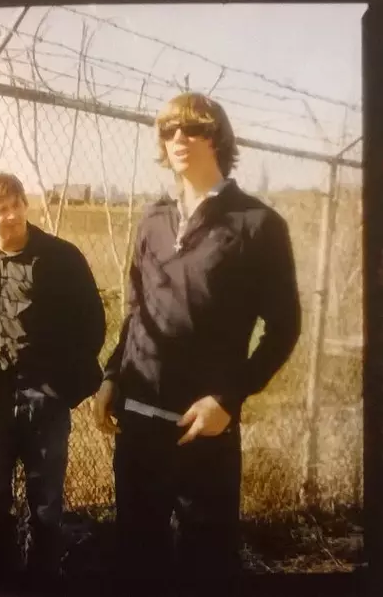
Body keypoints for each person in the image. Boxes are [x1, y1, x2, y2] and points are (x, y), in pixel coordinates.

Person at [93, 91, 301, 595]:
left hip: (202, 430)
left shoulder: (257, 224)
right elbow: (137, 312)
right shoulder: (152, 219)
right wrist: (112, 376)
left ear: (218, 137)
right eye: (169, 130)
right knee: (136, 560)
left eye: (193, 128)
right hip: (137, 422)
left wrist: (227, 401)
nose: (179, 138)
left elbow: (284, 328)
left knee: (205, 568)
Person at [0, 173, 106, 592]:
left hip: (45, 401)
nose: (12, 215)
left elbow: (92, 326)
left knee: (46, 504)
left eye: (17, 204)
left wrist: (63, 388)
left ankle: (42, 581)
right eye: (0, 208)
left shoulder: (60, 258)